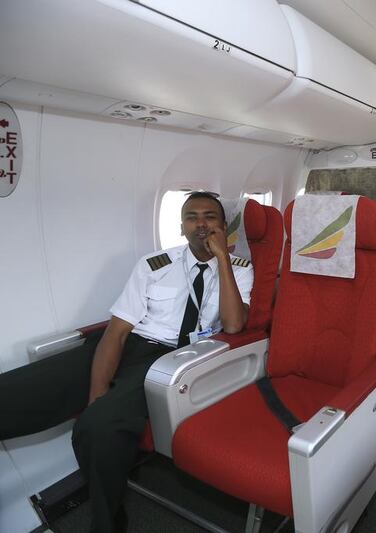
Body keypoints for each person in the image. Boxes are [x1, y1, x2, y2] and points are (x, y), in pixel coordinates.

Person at [0, 192, 253, 532]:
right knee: (18, 389)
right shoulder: (154, 264)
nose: (202, 224)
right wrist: (96, 394)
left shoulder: (241, 270)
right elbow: (117, 331)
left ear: (223, 227)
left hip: (172, 360)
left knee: (96, 427)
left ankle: (108, 523)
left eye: (210, 217)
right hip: (128, 345)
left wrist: (222, 259)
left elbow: (235, 324)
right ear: (182, 227)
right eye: (192, 217)